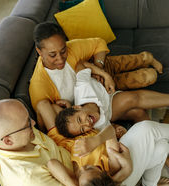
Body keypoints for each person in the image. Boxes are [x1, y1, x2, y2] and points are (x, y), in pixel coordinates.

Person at [29, 21, 165, 128]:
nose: (60, 58)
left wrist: (101, 69)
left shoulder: (72, 49)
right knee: (148, 80)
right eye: (53, 55)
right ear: (39, 51)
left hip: (100, 70)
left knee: (144, 64)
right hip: (102, 97)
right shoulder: (39, 86)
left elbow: (98, 44)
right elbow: (52, 121)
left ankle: (148, 58)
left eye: (63, 51)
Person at [36, 99, 169, 186]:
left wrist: (66, 111)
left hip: (118, 170)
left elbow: (43, 104)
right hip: (119, 180)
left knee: (162, 147)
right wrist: (97, 141)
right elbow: (111, 136)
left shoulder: (61, 137)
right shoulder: (94, 168)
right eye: (81, 128)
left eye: (79, 119)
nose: (86, 124)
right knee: (145, 128)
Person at [0, 99, 92, 186]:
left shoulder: (17, 134)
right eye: (28, 124)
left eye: (29, 118)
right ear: (8, 141)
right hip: (89, 182)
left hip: (75, 154)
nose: (33, 123)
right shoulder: (29, 181)